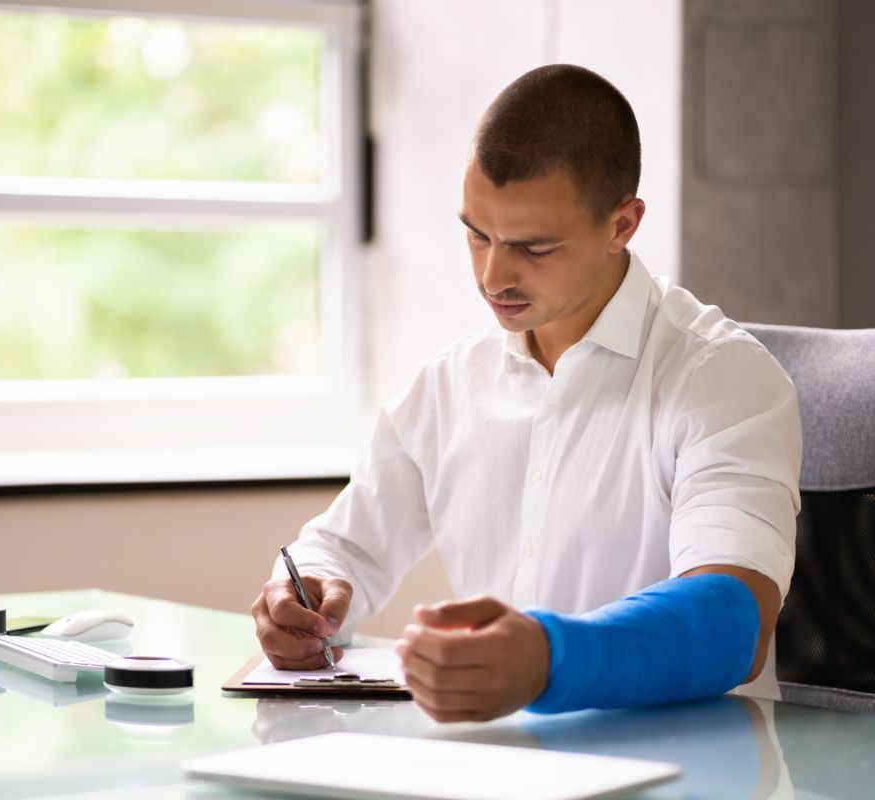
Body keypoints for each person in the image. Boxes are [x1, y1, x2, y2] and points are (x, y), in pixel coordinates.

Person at [249, 64, 801, 723]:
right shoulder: (448, 386)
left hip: (696, 775)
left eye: (532, 247)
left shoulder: (721, 377)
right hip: (501, 768)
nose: (492, 275)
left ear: (622, 225)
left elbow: (731, 621)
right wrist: (304, 592)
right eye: (477, 234)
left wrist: (548, 657)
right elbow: (342, 550)